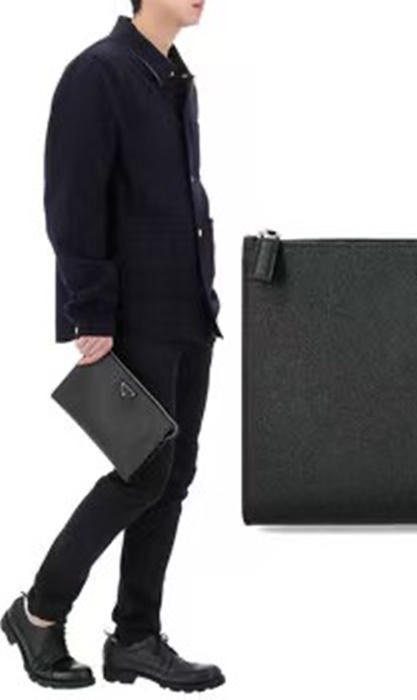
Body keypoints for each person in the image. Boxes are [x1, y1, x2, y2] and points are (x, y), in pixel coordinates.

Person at [1, 0, 225, 691]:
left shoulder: (174, 76)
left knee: (173, 478)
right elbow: (71, 201)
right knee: (143, 475)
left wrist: (205, 292)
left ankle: (135, 639)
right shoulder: (98, 73)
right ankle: (38, 613)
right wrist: (90, 311)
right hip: (133, 316)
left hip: (188, 310)